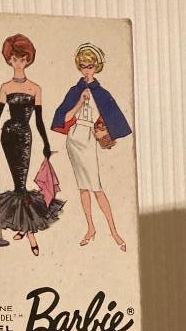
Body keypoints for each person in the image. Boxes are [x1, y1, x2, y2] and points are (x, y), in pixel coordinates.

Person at [0, 34, 63, 255]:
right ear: (9, 60)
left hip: (25, 135)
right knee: (19, 184)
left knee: (21, 183)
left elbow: (39, 120)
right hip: (8, 135)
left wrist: (46, 143)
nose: (18, 63)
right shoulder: (5, 87)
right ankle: (26, 229)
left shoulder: (35, 88)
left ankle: (27, 230)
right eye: (14, 59)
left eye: (22, 59)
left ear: (28, 60)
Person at [52, 43, 132, 250]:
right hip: (73, 139)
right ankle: (90, 227)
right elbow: (65, 118)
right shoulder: (75, 91)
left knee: (96, 187)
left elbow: (113, 119)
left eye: (90, 66)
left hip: (88, 140)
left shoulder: (102, 93)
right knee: (83, 188)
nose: (86, 70)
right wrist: (80, 101)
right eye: (83, 66)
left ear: (96, 67)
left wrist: (104, 133)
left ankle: (114, 231)